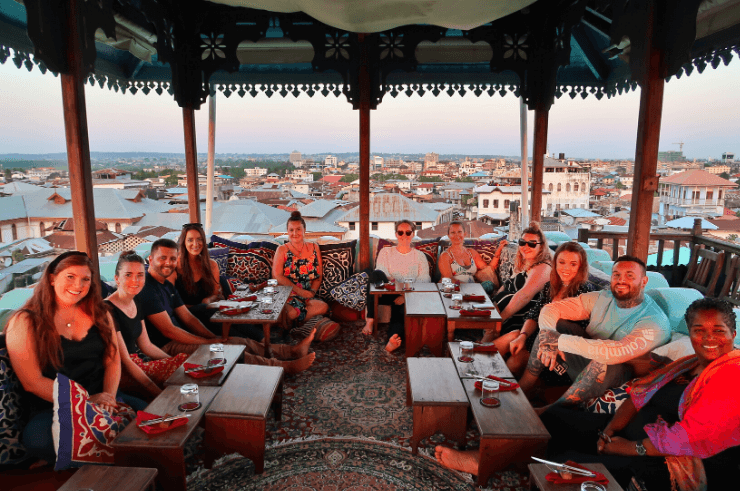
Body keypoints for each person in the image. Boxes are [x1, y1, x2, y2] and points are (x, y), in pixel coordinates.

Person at [539, 298, 740, 490]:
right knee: (553, 419)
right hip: (630, 437)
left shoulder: (732, 374)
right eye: (699, 330)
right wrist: (609, 431)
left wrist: (626, 447)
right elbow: (639, 396)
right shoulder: (689, 364)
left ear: (733, 333)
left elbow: (687, 439)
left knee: (567, 463)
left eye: (718, 330)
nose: (708, 338)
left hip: (669, 460)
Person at [5, 251, 147, 465]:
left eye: (85, 279)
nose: (78, 285)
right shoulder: (25, 321)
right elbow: (32, 382)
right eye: (70, 277)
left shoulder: (100, 313)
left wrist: (108, 395)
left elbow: (112, 360)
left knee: (154, 423)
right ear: (52, 278)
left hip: (105, 396)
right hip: (54, 408)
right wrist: (87, 401)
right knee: (44, 440)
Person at [138, 238, 316, 374]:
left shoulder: (166, 286)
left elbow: (188, 318)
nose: (168, 262)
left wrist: (213, 337)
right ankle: (282, 367)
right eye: (162, 258)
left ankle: (290, 351)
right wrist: (207, 341)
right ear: (151, 259)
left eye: (172, 258)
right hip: (167, 345)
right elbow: (169, 331)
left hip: (183, 336)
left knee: (233, 340)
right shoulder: (147, 289)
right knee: (224, 349)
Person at [521, 255, 671, 409]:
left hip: (618, 371)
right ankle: (524, 387)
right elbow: (551, 308)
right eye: (616, 275)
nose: (621, 280)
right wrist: (549, 333)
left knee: (603, 363)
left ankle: (550, 411)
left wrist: (557, 340)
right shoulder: (604, 297)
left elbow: (614, 352)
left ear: (644, 282)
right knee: (555, 325)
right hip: (585, 358)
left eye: (630, 276)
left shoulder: (654, 321)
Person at [497, 241, 592, 377]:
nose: (566, 269)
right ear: (555, 263)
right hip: (538, 340)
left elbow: (573, 332)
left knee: (514, 362)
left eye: (573, 264)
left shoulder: (584, 292)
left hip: (558, 353)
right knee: (515, 335)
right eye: (562, 262)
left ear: (580, 267)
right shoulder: (550, 286)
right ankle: (475, 361)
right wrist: (523, 337)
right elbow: (534, 315)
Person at [106, 251, 188, 398]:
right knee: (183, 370)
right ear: (117, 279)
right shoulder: (108, 309)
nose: (135, 280)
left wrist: (171, 360)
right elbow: (125, 361)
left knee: (184, 362)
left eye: (140, 275)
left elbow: (146, 345)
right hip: (124, 372)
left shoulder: (136, 301)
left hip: (142, 362)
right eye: (128, 275)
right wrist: (158, 394)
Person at [481, 222, 551, 343]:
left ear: (541, 246)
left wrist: (500, 319)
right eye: (522, 242)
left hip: (519, 318)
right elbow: (508, 284)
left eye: (532, 244)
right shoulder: (523, 263)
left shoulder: (543, 267)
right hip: (505, 312)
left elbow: (524, 296)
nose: (526, 247)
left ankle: (483, 346)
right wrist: (494, 300)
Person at [375, 219, 431, 353]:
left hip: (410, 293)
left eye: (407, 232)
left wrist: (406, 295)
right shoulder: (386, 252)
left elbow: (424, 279)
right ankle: (372, 322)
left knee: (400, 311)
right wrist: (400, 290)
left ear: (413, 234)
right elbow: (381, 271)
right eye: (400, 232)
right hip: (390, 291)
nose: (404, 236)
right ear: (396, 234)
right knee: (373, 275)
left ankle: (392, 340)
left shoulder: (420, 256)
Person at [272, 211, 329, 330]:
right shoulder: (282, 249)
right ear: (287, 232)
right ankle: (298, 321)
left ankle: (293, 323)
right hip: (288, 295)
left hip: (308, 296)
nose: (295, 233)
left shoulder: (314, 247)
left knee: (324, 307)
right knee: (291, 312)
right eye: (291, 230)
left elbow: (318, 276)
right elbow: (277, 276)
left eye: (298, 229)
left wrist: (312, 292)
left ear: (304, 230)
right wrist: (299, 291)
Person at [438, 221, 506, 285]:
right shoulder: (445, 255)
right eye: (453, 232)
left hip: (472, 291)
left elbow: (488, 270)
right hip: (453, 290)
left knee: (488, 278)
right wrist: (472, 287)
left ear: (465, 234)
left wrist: (499, 250)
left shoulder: (471, 253)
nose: (457, 235)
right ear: (448, 235)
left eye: (459, 232)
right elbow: (448, 279)